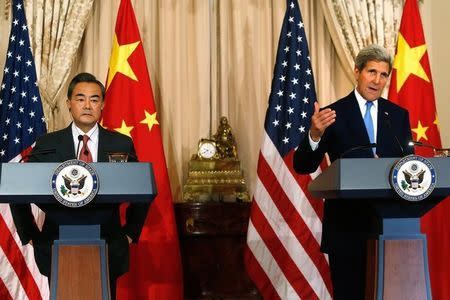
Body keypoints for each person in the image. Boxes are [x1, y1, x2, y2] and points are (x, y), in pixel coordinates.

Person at [10, 72, 149, 299]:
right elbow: (18, 187)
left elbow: (141, 188)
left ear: (102, 105)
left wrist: (130, 233)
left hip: (109, 243)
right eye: (80, 98)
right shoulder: (47, 143)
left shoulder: (121, 143)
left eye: (94, 99)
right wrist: (31, 234)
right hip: (55, 242)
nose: (87, 105)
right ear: (69, 103)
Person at [293, 44, 413, 299]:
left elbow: (408, 167)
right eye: (371, 72)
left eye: (383, 75)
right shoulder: (332, 114)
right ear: (357, 72)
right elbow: (303, 165)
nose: (377, 80)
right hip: (347, 229)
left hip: (391, 228)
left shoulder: (398, 116)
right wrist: (314, 135)